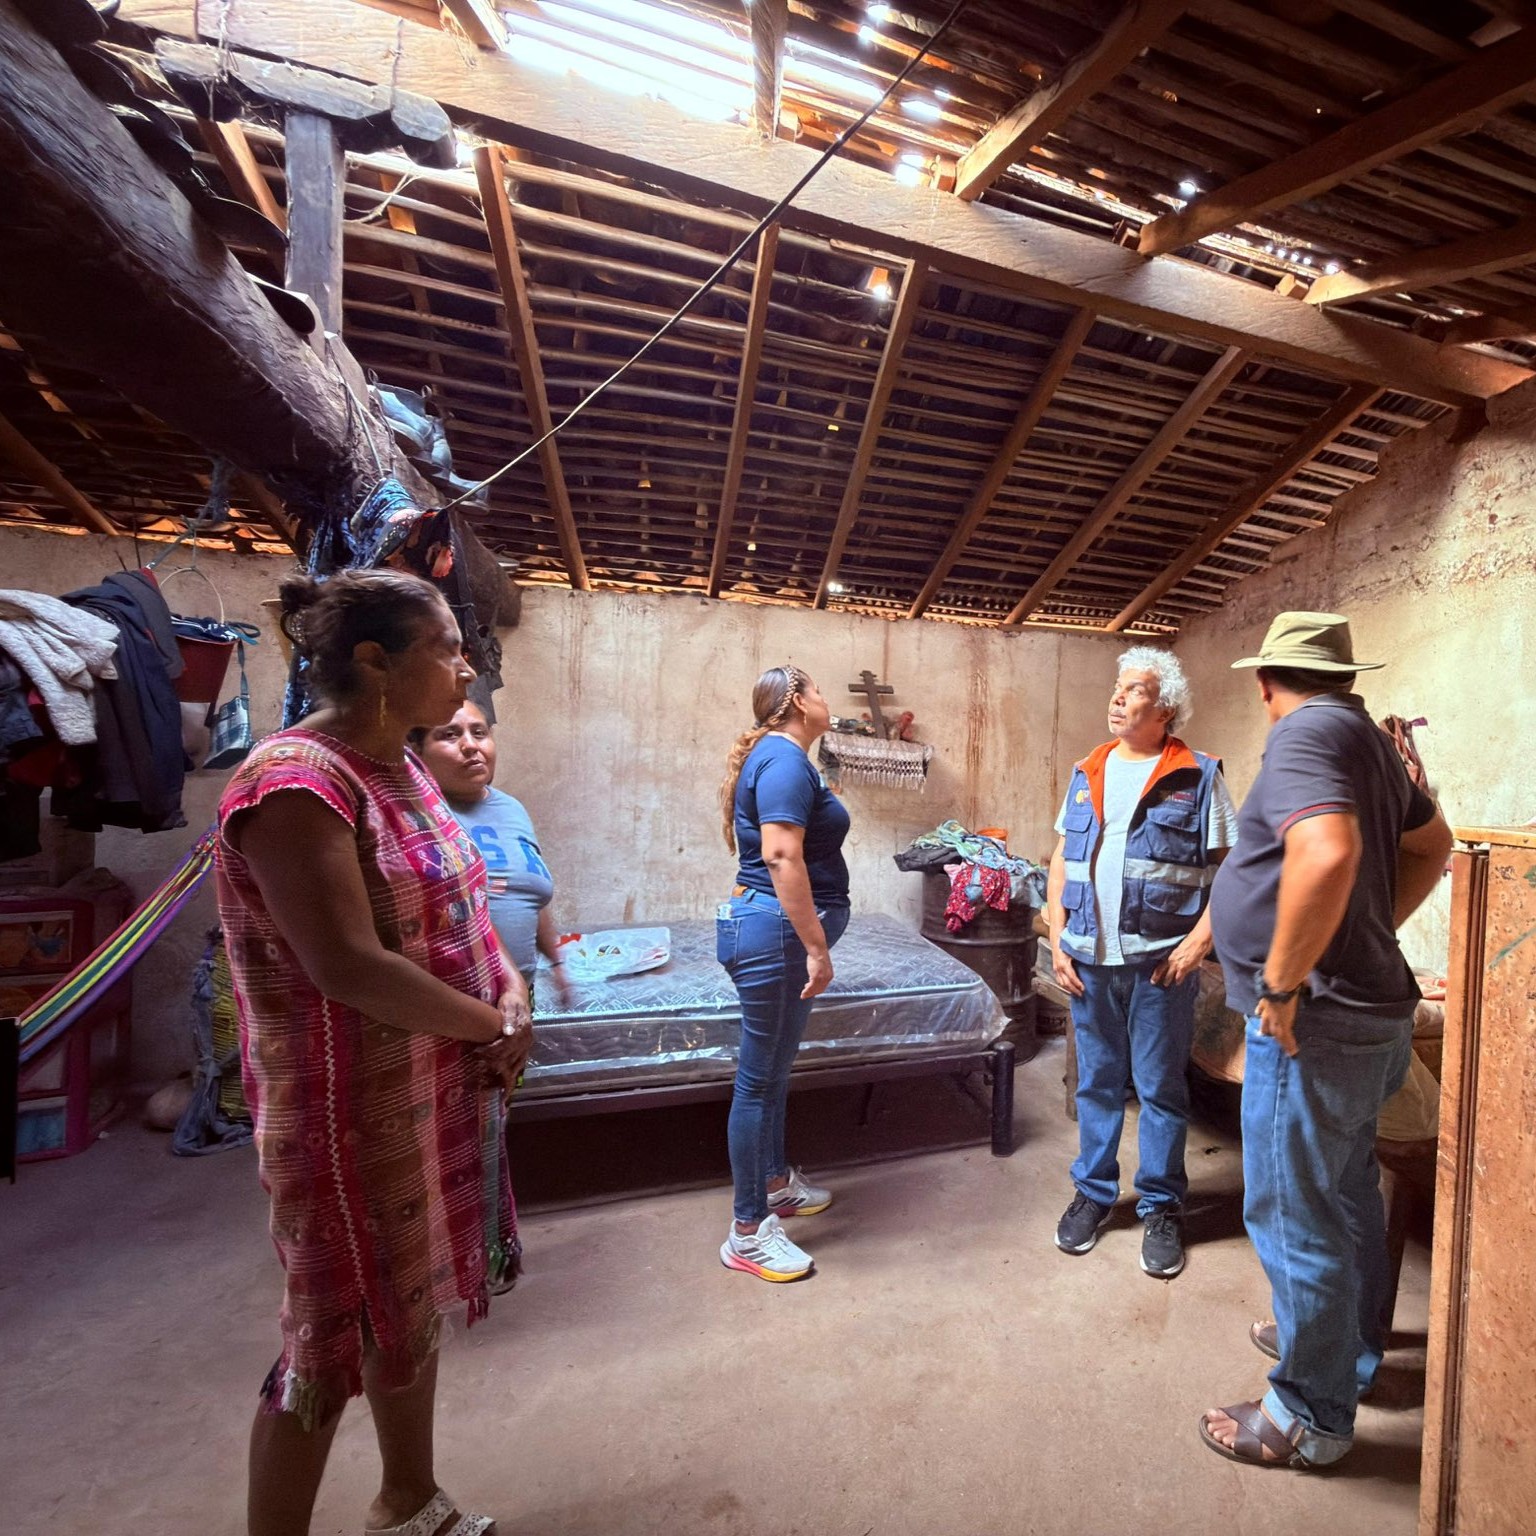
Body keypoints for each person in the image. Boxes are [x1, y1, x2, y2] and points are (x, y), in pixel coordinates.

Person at [216, 569, 531, 1536]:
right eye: (448, 648)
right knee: (329, 1337)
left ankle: (408, 1498)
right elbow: (347, 965)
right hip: (344, 1112)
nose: (467, 667)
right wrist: (490, 1026)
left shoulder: (401, 768)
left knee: (409, 1301)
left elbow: (465, 906)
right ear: (374, 662)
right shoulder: (293, 784)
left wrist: (509, 989)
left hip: (427, 1088)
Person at [1200, 612, 1451, 1469]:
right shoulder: (1368, 741)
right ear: (1344, 677)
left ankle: (1309, 1416)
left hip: (1319, 1023)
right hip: (1369, 1013)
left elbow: (1328, 852)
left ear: (1266, 682)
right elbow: (1434, 846)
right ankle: (1344, 1352)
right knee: (1344, 1198)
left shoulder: (1303, 734)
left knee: (1293, 1213)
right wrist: (1372, 931)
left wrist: (1280, 983)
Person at [1047, 646, 1238, 1279]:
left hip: (1160, 966)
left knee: (1159, 1088)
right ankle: (1094, 1194)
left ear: (1166, 710)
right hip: (1089, 962)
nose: (1118, 697)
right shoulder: (1088, 770)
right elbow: (1061, 858)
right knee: (1098, 1084)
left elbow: (1233, 869)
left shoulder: (1198, 775)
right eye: (1118, 687)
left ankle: (1161, 1206)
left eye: (1134, 690)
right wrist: (1058, 938)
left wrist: (1199, 942)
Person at [715, 665, 850, 1282]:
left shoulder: (786, 759)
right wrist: (816, 946)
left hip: (774, 931)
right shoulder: (785, 760)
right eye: (818, 689)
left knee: (772, 1073)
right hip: (775, 933)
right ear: (797, 700)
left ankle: (774, 1185)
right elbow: (778, 854)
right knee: (757, 1081)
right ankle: (748, 1233)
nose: (826, 699)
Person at [415, 700, 571, 1011]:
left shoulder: (511, 809)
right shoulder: (417, 818)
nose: (471, 746)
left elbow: (526, 891)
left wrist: (557, 964)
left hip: (518, 996)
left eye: (480, 733)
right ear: (417, 751)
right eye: (450, 735)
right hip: (454, 1005)